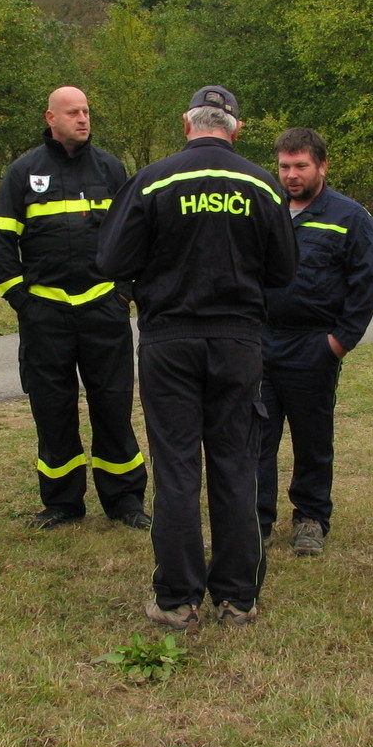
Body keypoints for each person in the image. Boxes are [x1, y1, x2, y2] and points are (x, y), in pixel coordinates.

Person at [97, 86, 296, 630]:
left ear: (187, 124)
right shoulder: (262, 184)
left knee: (177, 467)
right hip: (238, 343)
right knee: (236, 463)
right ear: (235, 127)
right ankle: (237, 599)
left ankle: (177, 600)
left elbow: (111, 258)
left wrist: (149, 285)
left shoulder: (152, 180)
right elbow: (284, 271)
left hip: (169, 340)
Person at [0, 86, 149, 531]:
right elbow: (2, 240)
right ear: (51, 118)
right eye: (73, 112)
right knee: (53, 409)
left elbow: (134, 232)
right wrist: (21, 300)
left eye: (86, 111)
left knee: (113, 407)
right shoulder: (24, 172)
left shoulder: (110, 167)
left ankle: (125, 501)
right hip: (46, 317)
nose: (83, 118)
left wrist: (124, 291)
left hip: (103, 310)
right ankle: (61, 502)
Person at [257, 128, 373, 557]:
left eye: (301, 166)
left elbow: (366, 283)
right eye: (285, 167)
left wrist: (338, 342)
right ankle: (257, 520)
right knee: (256, 437)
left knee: (312, 439)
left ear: (322, 166)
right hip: (261, 344)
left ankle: (311, 519)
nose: (291, 175)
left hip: (313, 346)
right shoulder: (266, 209)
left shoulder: (350, 217)